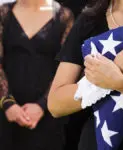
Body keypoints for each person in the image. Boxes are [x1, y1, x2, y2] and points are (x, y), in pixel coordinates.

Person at [48, 0, 123, 150]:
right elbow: (55, 104)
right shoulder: (89, 19)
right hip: (96, 142)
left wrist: (120, 81)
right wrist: (101, 82)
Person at [0, 0, 73, 150]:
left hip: (48, 115)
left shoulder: (63, 16)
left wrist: (42, 106)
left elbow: (67, 68)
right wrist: (8, 103)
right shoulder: (4, 13)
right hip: (6, 114)